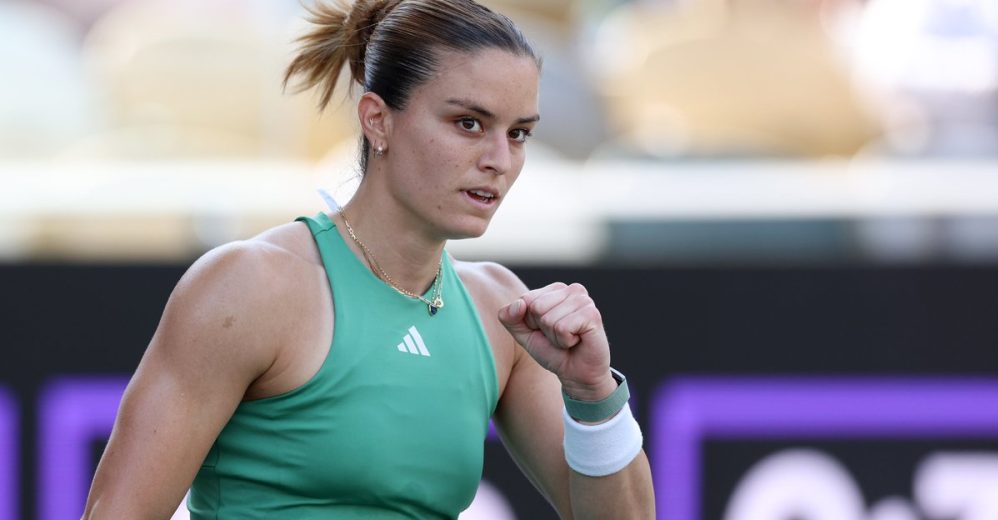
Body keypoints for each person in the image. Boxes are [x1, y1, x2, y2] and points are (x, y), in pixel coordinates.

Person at [82, 0, 655, 518]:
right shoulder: (249, 285)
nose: (499, 160)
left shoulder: (500, 309)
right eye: (469, 124)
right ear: (377, 119)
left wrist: (593, 394)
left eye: (519, 133)